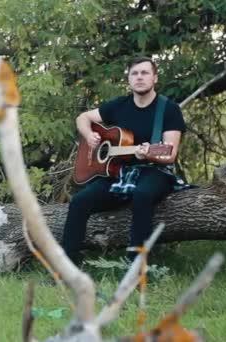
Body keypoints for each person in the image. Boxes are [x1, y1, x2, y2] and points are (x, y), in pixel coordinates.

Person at [61, 56, 186, 263]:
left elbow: (169, 154)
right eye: (134, 73)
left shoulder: (169, 109)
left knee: (142, 194)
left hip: (154, 171)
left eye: (144, 73)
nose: (139, 77)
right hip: (118, 173)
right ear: (128, 79)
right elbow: (83, 118)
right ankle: (68, 266)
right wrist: (89, 135)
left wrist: (149, 153)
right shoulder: (119, 105)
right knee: (79, 202)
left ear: (155, 78)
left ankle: (136, 265)